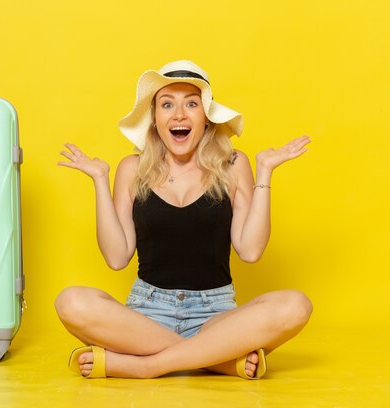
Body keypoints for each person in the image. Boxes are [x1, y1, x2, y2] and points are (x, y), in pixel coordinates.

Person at [54, 60, 313, 379]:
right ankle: (216, 359)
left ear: (206, 118)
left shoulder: (233, 165)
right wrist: (99, 179)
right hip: (146, 315)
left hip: (215, 316)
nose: (179, 114)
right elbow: (116, 257)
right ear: (155, 119)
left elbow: (250, 250)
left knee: (295, 305)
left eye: (191, 103)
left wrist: (265, 172)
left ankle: (145, 365)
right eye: (167, 105)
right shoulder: (132, 169)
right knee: (71, 301)